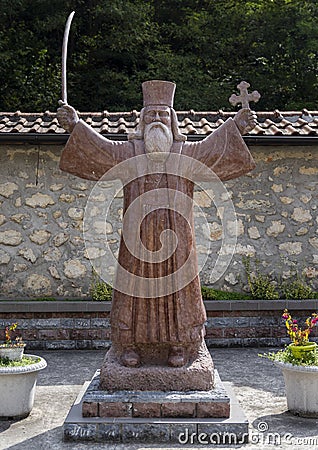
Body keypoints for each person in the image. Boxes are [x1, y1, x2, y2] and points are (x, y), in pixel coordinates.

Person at [57, 80, 256, 367]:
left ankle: (179, 344)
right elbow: (98, 150)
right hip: (136, 240)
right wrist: (75, 126)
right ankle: (129, 345)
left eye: (163, 115)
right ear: (141, 121)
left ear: (173, 121)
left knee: (179, 290)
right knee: (133, 291)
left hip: (177, 242)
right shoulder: (128, 153)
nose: (157, 121)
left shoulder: (186, 154)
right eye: (151, 115)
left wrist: (236, 127)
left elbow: (214, 150)